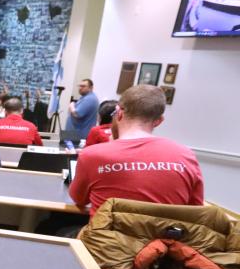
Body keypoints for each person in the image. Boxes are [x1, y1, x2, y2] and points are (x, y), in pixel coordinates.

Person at [70, 85, 203, 216]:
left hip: (106, 237)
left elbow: (79, 200)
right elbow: (195, 211)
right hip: (163, 237)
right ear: (159, 121)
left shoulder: (92, 155)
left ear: (119, 113)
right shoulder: (186, 156)